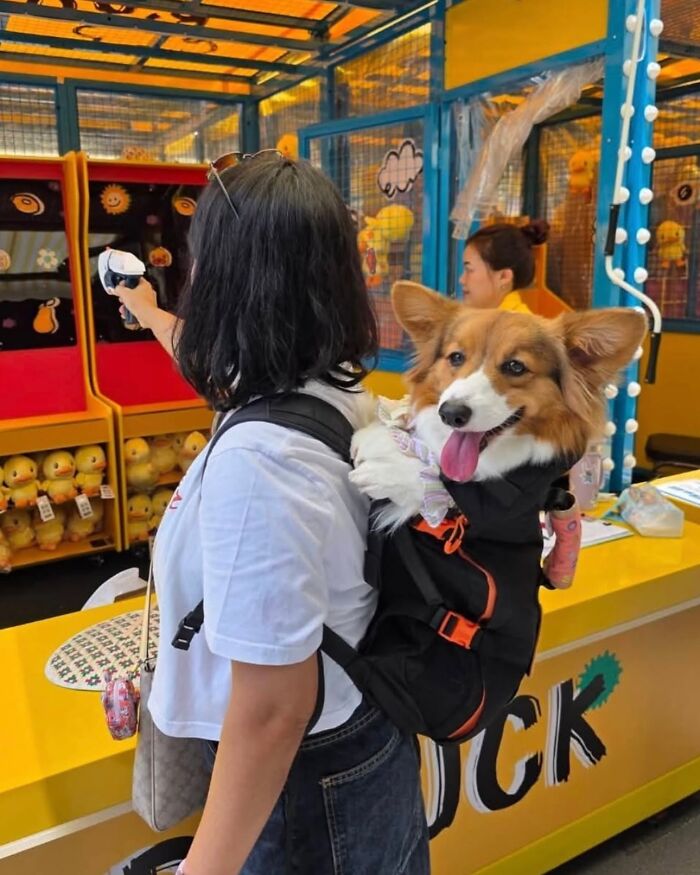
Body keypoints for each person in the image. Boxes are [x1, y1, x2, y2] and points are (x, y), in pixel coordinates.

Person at [115, 152, 430, 875]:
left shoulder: (260, 466)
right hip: (365, 739)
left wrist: (203, 869)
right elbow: (211, 366)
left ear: (228, 281)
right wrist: (140, 303)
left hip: (304, 790)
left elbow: (272, 708)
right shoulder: (332, 390)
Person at [459, 219, 550, 312]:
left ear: (504, 276)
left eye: (469, 270)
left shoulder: (516, 324)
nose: (461, 280)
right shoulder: (492, 317)